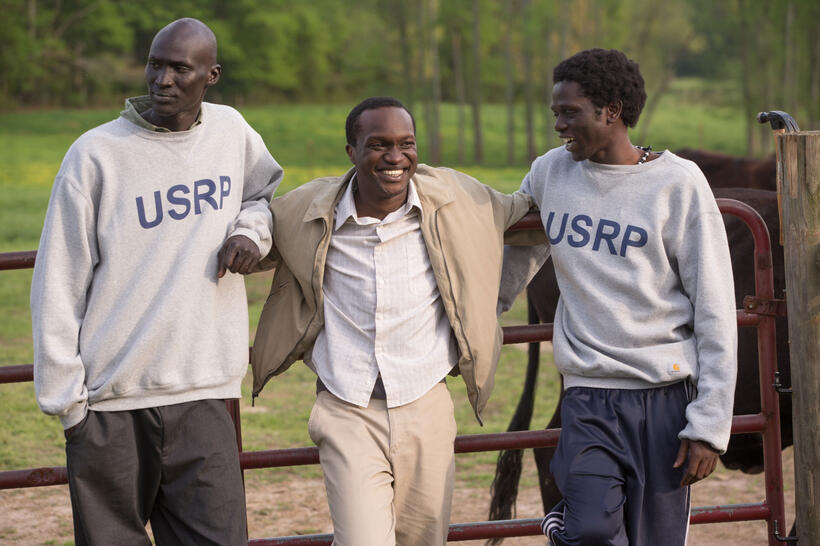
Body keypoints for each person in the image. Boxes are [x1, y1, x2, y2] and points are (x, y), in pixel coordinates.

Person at [30, 18, 283, 545]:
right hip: (109, 407)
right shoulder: (95, 155)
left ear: (210, 75)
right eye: (155, 63)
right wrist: (70, 406)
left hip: (207, 396)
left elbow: (263, 197)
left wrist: (250, 234)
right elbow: (57, 279)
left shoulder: (232, 132)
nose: (162, 79)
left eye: (179, 68)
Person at [250, 96, 540, 546]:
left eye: (406, 143)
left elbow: (528, 206)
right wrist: (245, 231)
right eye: (378, 144)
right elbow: (258, 220)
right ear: (352, 151)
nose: (395, 157)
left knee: (424, 540)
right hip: (347, 406)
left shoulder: (457, 199)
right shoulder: (306, 209)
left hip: (426, 404)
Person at [504, 48, 738, 546]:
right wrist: (474, 317)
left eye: (570, 113)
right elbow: (517, 255)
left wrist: (710, 425)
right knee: (588, 529)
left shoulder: (678, 184)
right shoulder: (551, 173)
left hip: (664, 399)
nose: (559, 125)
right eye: (555, 113)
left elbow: (715, 309)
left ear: (611, 111)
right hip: (587, 394)